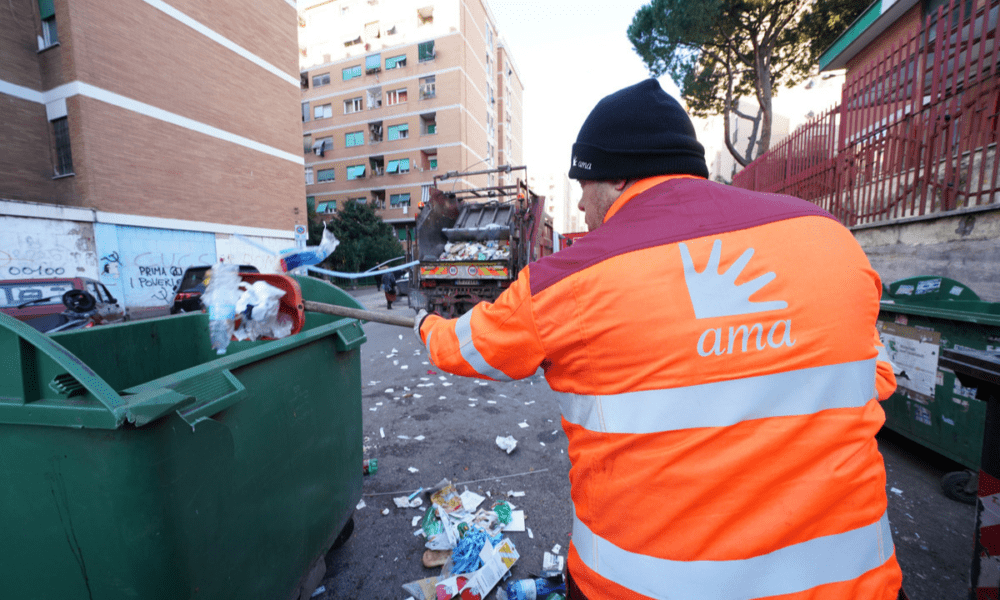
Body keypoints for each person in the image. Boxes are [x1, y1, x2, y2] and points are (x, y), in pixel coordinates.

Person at [413, 79, 903, 600]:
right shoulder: (830, 240)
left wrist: (426, 325)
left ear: (619, 176)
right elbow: (876, 377)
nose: (580, 206)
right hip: (852, 585)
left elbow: (469, 348)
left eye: (585, 186)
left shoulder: (572, 280)